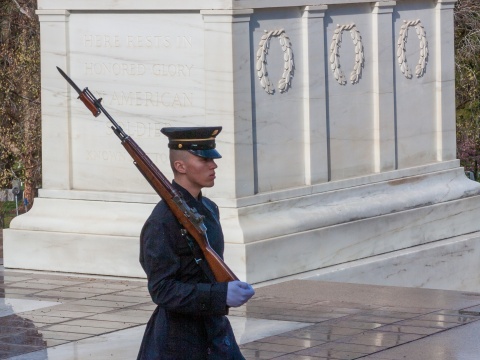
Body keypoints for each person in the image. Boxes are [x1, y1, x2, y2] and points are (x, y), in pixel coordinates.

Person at [137, 126, 255, 359]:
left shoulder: (209, 209)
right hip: (178, 340)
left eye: (212, 159)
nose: (214, 165)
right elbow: (162, 290)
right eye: (204, 160)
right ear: (180, 166)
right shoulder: (161, 221)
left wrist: (225, 290)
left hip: (215, 330)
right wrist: (219, 295)